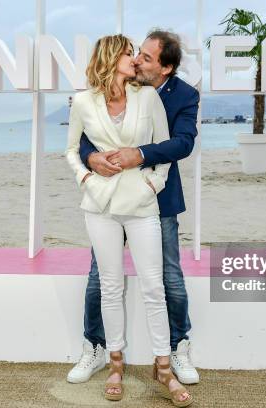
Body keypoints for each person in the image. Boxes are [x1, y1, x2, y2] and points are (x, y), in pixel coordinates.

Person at [67, 29, 200, 386]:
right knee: (101, 278)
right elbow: (82, 142)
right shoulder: (95, 97)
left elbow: (181, 143)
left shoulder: (183, 96)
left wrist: (142, 162)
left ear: (166, 68)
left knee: (167, 277)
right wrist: (90, 162)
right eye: (136, 53)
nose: (138, 59)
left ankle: (176, 348)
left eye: (147, 57)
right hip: (106, 200)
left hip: (157, 198)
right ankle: (95, 347)